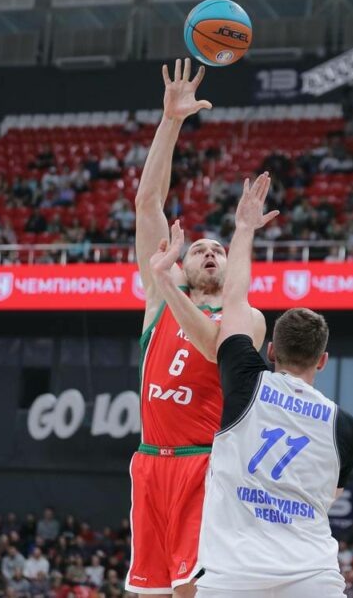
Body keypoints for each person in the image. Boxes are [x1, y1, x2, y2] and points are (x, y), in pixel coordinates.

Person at [153, 173, 353, 597]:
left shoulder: (246, 385)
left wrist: (245, 228)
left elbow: (234, 297)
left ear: (269, 351)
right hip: (312, 576)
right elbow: (329, 495)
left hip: (233, 576)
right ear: (322, 360)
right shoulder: (347, 428)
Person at [128, 59, 268, 598]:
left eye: (219, 250)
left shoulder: (245, 317)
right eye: (200, 249)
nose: (209, 253)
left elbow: (213, 349)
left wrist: (167, 284)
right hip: (149, 462)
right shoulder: (159, 296)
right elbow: (146, 204)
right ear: (183, 263)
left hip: (203, 464)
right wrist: (171, 121)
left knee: (191, 591)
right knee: (149, 593)